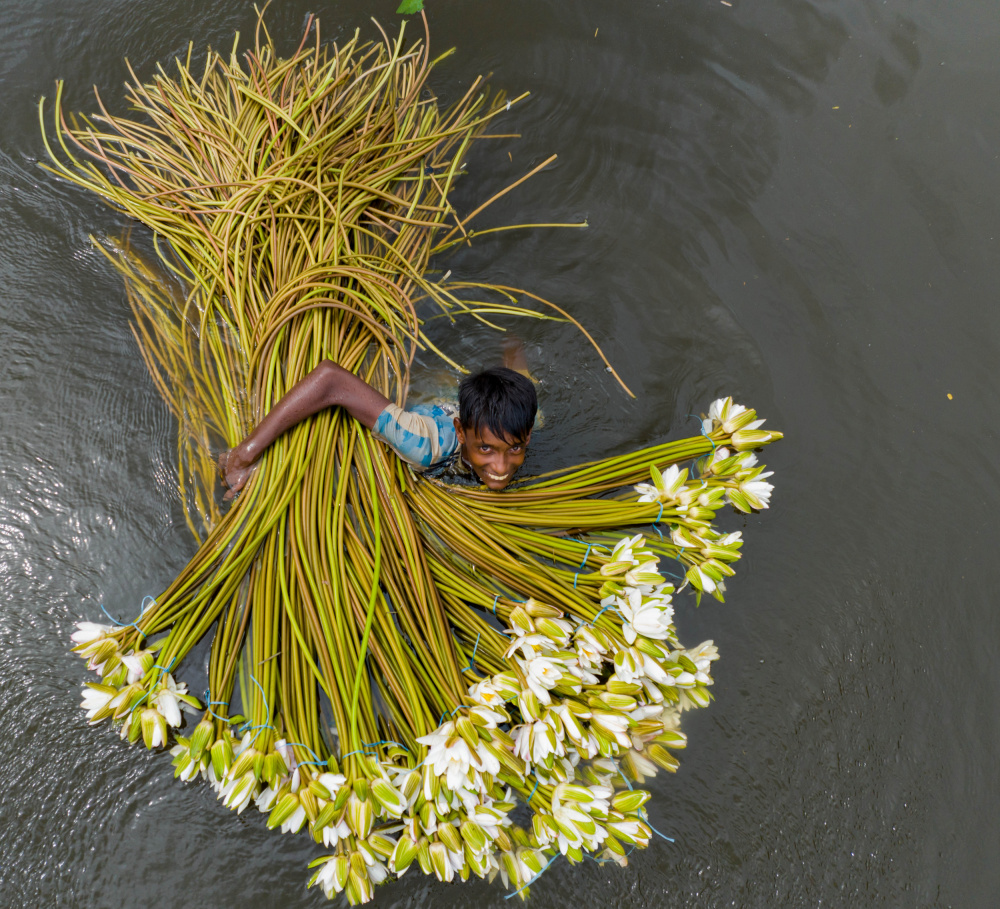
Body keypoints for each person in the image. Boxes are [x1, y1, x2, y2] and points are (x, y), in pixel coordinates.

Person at [217, 354, 537, 497]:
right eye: (486, 449)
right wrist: (245, 454)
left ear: (527, 437)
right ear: (460, 432)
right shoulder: (421, 445)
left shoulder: (523, 425)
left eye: (514, 448)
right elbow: (330, 378)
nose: (501, 466)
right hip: (435, 399)